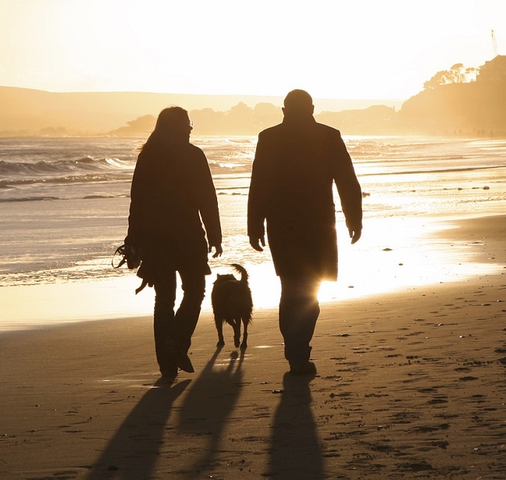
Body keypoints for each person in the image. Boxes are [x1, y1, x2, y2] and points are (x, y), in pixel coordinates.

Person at [247, 89, 362, 375]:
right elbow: (347, 180)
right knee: (311, 289)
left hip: (281, 224)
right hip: (318, 224)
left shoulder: (269, 138)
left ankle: (294, 348)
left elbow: (258, 184)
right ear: (312, 109)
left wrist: (254, 225)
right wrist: (354, 219)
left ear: (284, 111)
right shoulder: (329, 135)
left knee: (290, 287)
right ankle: (298, 349)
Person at [125, 106, 223, 381]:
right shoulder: (193, 155)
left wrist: (133, 240)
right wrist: (215, 235)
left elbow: (138, 204)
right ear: (180, 127)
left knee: (165, 298)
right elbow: (207, 198)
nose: (192, 127)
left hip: (156, 240)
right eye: (189, 123)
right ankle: (177, 344)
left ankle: (167, 364)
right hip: (188, 237)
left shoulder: (148, 157)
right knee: (195, 292)